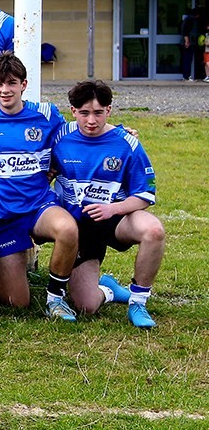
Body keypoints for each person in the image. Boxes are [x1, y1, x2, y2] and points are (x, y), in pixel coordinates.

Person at [0, 51, 78, 321]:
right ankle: (0, 264)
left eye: (12, 83)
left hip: (39, 205)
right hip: (3, 213)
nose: (5, 90)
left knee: (67, 229)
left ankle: (56, 298)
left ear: (23, 85)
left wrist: (117, 130)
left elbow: (75, 136)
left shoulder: (46, 114)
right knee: (17, 302)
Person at [52, 80, 163, 328]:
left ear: (109, 110)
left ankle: (138, 302)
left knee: (153, 231)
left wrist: (112, 209)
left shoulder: (127, 143)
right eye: (84, 113)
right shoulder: (60, 136)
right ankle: (108, 289)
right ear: (73, 111)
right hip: (78, 226)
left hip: (116, 219)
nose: (91, 120)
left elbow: (145, 194)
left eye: (98, 113)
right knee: (86, 306)